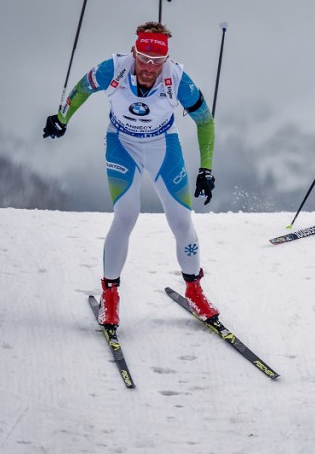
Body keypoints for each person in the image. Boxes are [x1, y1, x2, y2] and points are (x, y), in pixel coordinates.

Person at [42, 21, 220, 331]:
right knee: (126, 215)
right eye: (144, 59)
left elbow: (205, 122)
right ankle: (110, 295)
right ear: (133, 52)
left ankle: (194, 290)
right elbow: (82, 89)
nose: (150, 68)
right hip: (122, 142)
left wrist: (206, 168)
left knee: (181, 219)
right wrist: (62, 118)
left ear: (166, 59)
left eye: (157, 61)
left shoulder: (178, 79)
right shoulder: (114, 68)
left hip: (163, 144)